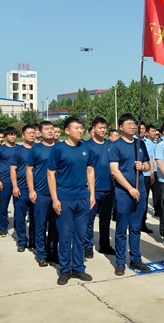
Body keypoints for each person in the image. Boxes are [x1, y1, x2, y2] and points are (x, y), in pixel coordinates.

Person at [47, 117, 96, 285]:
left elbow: (90, 171)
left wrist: (92, 194)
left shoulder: (86, 148)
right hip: (65, 198)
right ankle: (65, 269)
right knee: (65, 235)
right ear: (67, 131)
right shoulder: (58, 149)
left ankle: (78, 267)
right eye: (76, 128)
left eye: (81, 128)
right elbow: (51, 174)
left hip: (83, 197)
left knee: (81, 235)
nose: (80, 130)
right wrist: (55, 198)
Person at [109, 114, 151, 275]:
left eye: (134, 124)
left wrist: (143, 167)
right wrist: (129, 188)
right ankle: (120, 261)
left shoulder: (140, 144)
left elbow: (148, 165)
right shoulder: (116, 146)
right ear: (121, 127)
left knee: (136, 227)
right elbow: (115, 171)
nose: (133, 126)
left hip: (140, 189)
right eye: (129, 124)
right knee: (121, 228)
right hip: (123, 192)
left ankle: (136, 259)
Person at [27, 121, 58, 266]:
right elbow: (29, 170)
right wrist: (32, 190)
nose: (50, 131)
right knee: (40, 224)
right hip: (41, 193)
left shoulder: (60, 147)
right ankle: (41, 254)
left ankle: (52, 252)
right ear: (40, 132)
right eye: (46, 129)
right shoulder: (36, 149)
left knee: (55, 225)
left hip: (57, 193)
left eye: (52, 128)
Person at [83, 117, 115, 258]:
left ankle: (104, 245)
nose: (103, 130)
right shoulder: (86, 145)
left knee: (105, 219)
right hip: (92, 190)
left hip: (108, 188)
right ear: (93, 128)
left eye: (104, 127)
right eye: (100, 127)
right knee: (89, 220)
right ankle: (87, 246)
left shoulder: (110, 145)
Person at [10, 124, 37, 252]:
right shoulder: (18, 151)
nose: (32, 135)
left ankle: (33, 240)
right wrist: (15, 186)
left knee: (35, 217)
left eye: (33, 133)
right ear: (23, 135)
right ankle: (21, 240)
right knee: (20, 216)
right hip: (22, 188)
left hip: (37, 188)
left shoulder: (39, 149)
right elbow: (13, 169)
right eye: (29, 133)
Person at [0, 127, 18, 236]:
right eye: (10, 135)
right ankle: (3, 227)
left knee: (18, 206)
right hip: (5, 180)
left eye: (14, 134)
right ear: (6, 136)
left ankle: (17, 227)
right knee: (4, 205)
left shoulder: (19, 148)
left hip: (18, 181)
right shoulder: (0, 149)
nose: (13, 137)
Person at [141, 124, 160, 225]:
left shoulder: (148, 143)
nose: (141, 130)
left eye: (143, 128)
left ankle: (143, 222)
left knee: (144, 199)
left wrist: (152, 173)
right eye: (139, 128)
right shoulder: (133, 141)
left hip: (147, 174)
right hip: (137, 174)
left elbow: (151, 158)